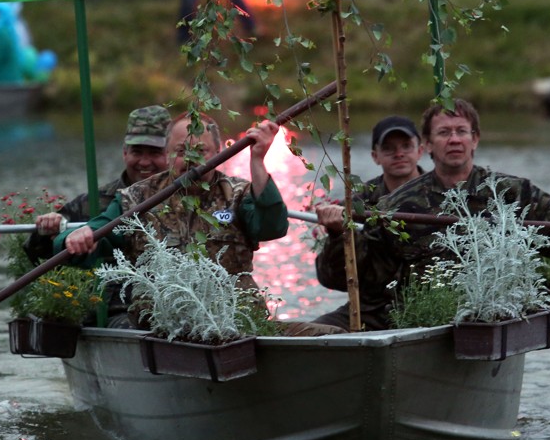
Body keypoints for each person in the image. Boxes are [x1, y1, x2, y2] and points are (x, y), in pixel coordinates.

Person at [315, 99, 550, 330]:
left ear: (476, 140)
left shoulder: (509, 191)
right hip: (422, 320)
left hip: (485, 318)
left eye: (461, 132)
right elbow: (354, 277)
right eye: (444, 133)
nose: (454, 140)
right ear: (429, 145)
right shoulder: (398, 205)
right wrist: (338, 235)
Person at [55, 113, 342, 336]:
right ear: (167, 154)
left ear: (219, 152)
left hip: (238, 323)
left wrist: (257, 160)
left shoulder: (238, 194)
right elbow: (95, 236)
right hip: (164, 330)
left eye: (201, 151)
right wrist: (79, 237)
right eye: (181, 150)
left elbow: (272, 227)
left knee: (333, 336)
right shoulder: (136, 198)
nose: (191, 160)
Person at [311, 115, 426, 331]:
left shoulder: (442, 196)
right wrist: (337, 235)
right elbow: (331, 278)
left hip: (426, 308)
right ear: (375, 156)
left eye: (406, 146)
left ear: (420, 150)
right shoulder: (359, 202)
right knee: (313, 332)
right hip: (370, 310)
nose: (399, 154)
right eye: (389, 148)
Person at [26, 103, 172, 259]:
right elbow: (37, 250)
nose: (144, 162)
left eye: (154, 153)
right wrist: (49, 228)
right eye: (136, 152)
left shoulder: (187, 196)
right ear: (124, 153)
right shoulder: (97, 201)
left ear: (171, 153)